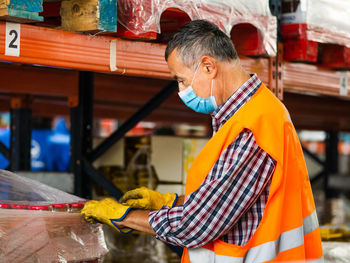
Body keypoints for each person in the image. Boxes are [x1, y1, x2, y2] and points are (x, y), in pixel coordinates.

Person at [81, 20, 323, 262]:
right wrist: (169, 202)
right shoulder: (249, 115)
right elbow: (226, 199)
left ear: (208, 67)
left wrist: (124, 216)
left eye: (182, 80)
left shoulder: (253, 128)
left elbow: (197, 224)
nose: (181, 90)